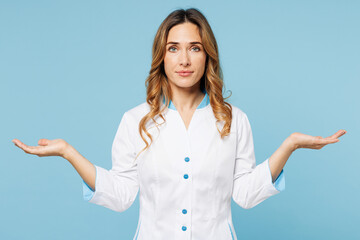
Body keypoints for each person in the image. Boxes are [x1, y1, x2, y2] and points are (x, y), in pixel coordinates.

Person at [12, 8, 346, 240]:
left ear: (207, 56)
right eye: (174, 48)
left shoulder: (233, 120)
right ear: (162, 55)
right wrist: (68, 152)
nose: (184, 59)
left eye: (194, 48)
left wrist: (289, 145)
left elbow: (244, 193)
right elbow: (120, 195)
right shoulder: (135, 121)